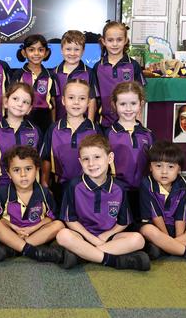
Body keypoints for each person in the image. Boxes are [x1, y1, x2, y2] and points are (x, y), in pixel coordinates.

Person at [56, 135, 150, 271]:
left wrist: (105, 236)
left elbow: (123, 222)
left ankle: (82, 256)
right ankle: (114, 261)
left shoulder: (120, 188)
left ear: (110, 158)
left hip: (109, 237)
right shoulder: (74, 186)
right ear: (80, 162)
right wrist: (93, 239)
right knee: (62, 235)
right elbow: (70, 220)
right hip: (83, 235)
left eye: (97, 157)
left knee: (138, 239)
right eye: (86, 159)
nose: (91, 164)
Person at [0, 146, 65, 263]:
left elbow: (51, 218)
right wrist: (13, 227)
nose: (23, 174)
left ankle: (15, 248)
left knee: (59, 225)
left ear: (37, 169)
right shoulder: (3, 193)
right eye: (16, 170)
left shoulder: (44, 193)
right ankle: (30, 250)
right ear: (8, 173)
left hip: (35, 233)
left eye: (28, 169)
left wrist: (32, 228)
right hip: (12, 233)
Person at [41, 79, 101, 205]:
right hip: (60, 187)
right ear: (63, 100)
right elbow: (45, 158)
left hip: (88, 187)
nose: (76, 102)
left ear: (89, 102)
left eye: (82, 98)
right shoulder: (54, 129)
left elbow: (102, 160)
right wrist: (44, 184)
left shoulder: (95, 130)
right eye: (71, 98)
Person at [105, 82, 154, 219]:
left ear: (141, 104)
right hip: (116, 191)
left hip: (142, 191)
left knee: (142, 228)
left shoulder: (148, 134)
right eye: (123, 104)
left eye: (133, 103)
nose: (128, 109)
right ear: (114, 105)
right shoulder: (107, 134)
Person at [0, 82, 42, 194]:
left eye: (25, 102)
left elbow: (39, 163)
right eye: (15, 99)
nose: (20, 104)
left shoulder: (35, 131)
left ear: (29, 109)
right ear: (5, 102)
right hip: (4, 186)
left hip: (31, 188)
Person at [92, 21, 145, 128]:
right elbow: (93, 98)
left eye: (119, 40)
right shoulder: (98, 67)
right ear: (103, 41)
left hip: (129, 122)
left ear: (125, 40)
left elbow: (140, 98)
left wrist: (139, 125)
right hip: (104, 124)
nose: (115, 44)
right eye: (110, 40)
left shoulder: (133, 65)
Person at [11, 34, 57, 133]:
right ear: (24, 53)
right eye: (31, 50)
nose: (36, 53)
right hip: (23, 116)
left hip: (45, 118)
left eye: (40, 50)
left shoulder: (50, 75)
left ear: (46, 53)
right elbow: (11, 99)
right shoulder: (18, 74)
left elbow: (53, 102)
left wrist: (53, 124)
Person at [53, 30, 96, 121]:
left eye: (77, 49)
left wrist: (90, 123)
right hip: (59, 124)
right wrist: (53, 124)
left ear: (83, 51)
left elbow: (92, 100)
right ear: (61, 50)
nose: (72, 53)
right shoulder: (54, 73)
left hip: (82, 124)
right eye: (68, 49)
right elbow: (52, 101)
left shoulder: (89, 73)